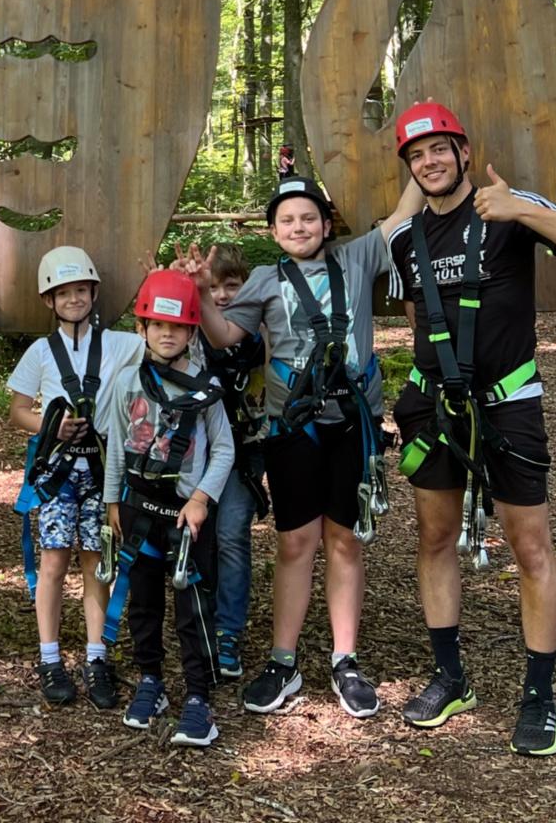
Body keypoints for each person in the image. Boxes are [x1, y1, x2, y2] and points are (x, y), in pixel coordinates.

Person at [385, 101, 556, 758]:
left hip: (508, 404)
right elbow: (416, 315)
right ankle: (448, 677)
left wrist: (521, 210)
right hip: (433, 408)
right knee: (433, 537)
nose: (428, 161)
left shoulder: (506, 209)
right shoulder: (406, 238)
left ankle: (540, 696)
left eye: (438, 149)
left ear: (461, 150)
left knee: (530, 544)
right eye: (415, 155)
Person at [180, 172, 422, 719]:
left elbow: (404, 213)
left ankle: (345, 659)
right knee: (295, 542)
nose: (298, 227)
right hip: (293, 428)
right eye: (286, 220)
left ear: (327, 222)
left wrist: (416, 162)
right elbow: (225, 336)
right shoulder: (265, 279)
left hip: (352, 423)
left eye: (308, 217)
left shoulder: (358, 258)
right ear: (272, 229)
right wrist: (198, 290)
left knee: (344, 540)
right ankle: (283, 660)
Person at [97, 269, 234, 748]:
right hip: (137, 508)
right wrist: (112, 499)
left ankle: (199, 698)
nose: (167, 333)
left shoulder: (205, 388)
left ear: (192, 331)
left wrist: (201, 499)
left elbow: (224, 451)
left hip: (186, 514)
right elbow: (115, 442)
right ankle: (150, 680)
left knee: (192, 607)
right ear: (142, 328)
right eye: (157, 324)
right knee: (143, 600)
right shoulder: (125, 382)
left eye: (176, 327)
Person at [8, 245, 144, 708]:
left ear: (94, 292)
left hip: (103, 473)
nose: (73, 300)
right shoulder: (40, 352)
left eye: (81, 290)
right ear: (49, 300)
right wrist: (52, 424)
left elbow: (168, 345)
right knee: (53, 560)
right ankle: (49, 657)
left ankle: (96, 655)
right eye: (62, 293)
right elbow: (18, 410)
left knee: (95, 562)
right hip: (58, 470)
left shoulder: (124, 344)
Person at [202, 244, 266, 682]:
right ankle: (201, 621)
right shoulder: (191, 334)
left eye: (232, 285)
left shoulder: (260, 335)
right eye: (214, 287)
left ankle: (228, 632)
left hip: (245, 451)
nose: (222, 295)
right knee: (199, 535)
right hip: (198, 452)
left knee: (230, 534)